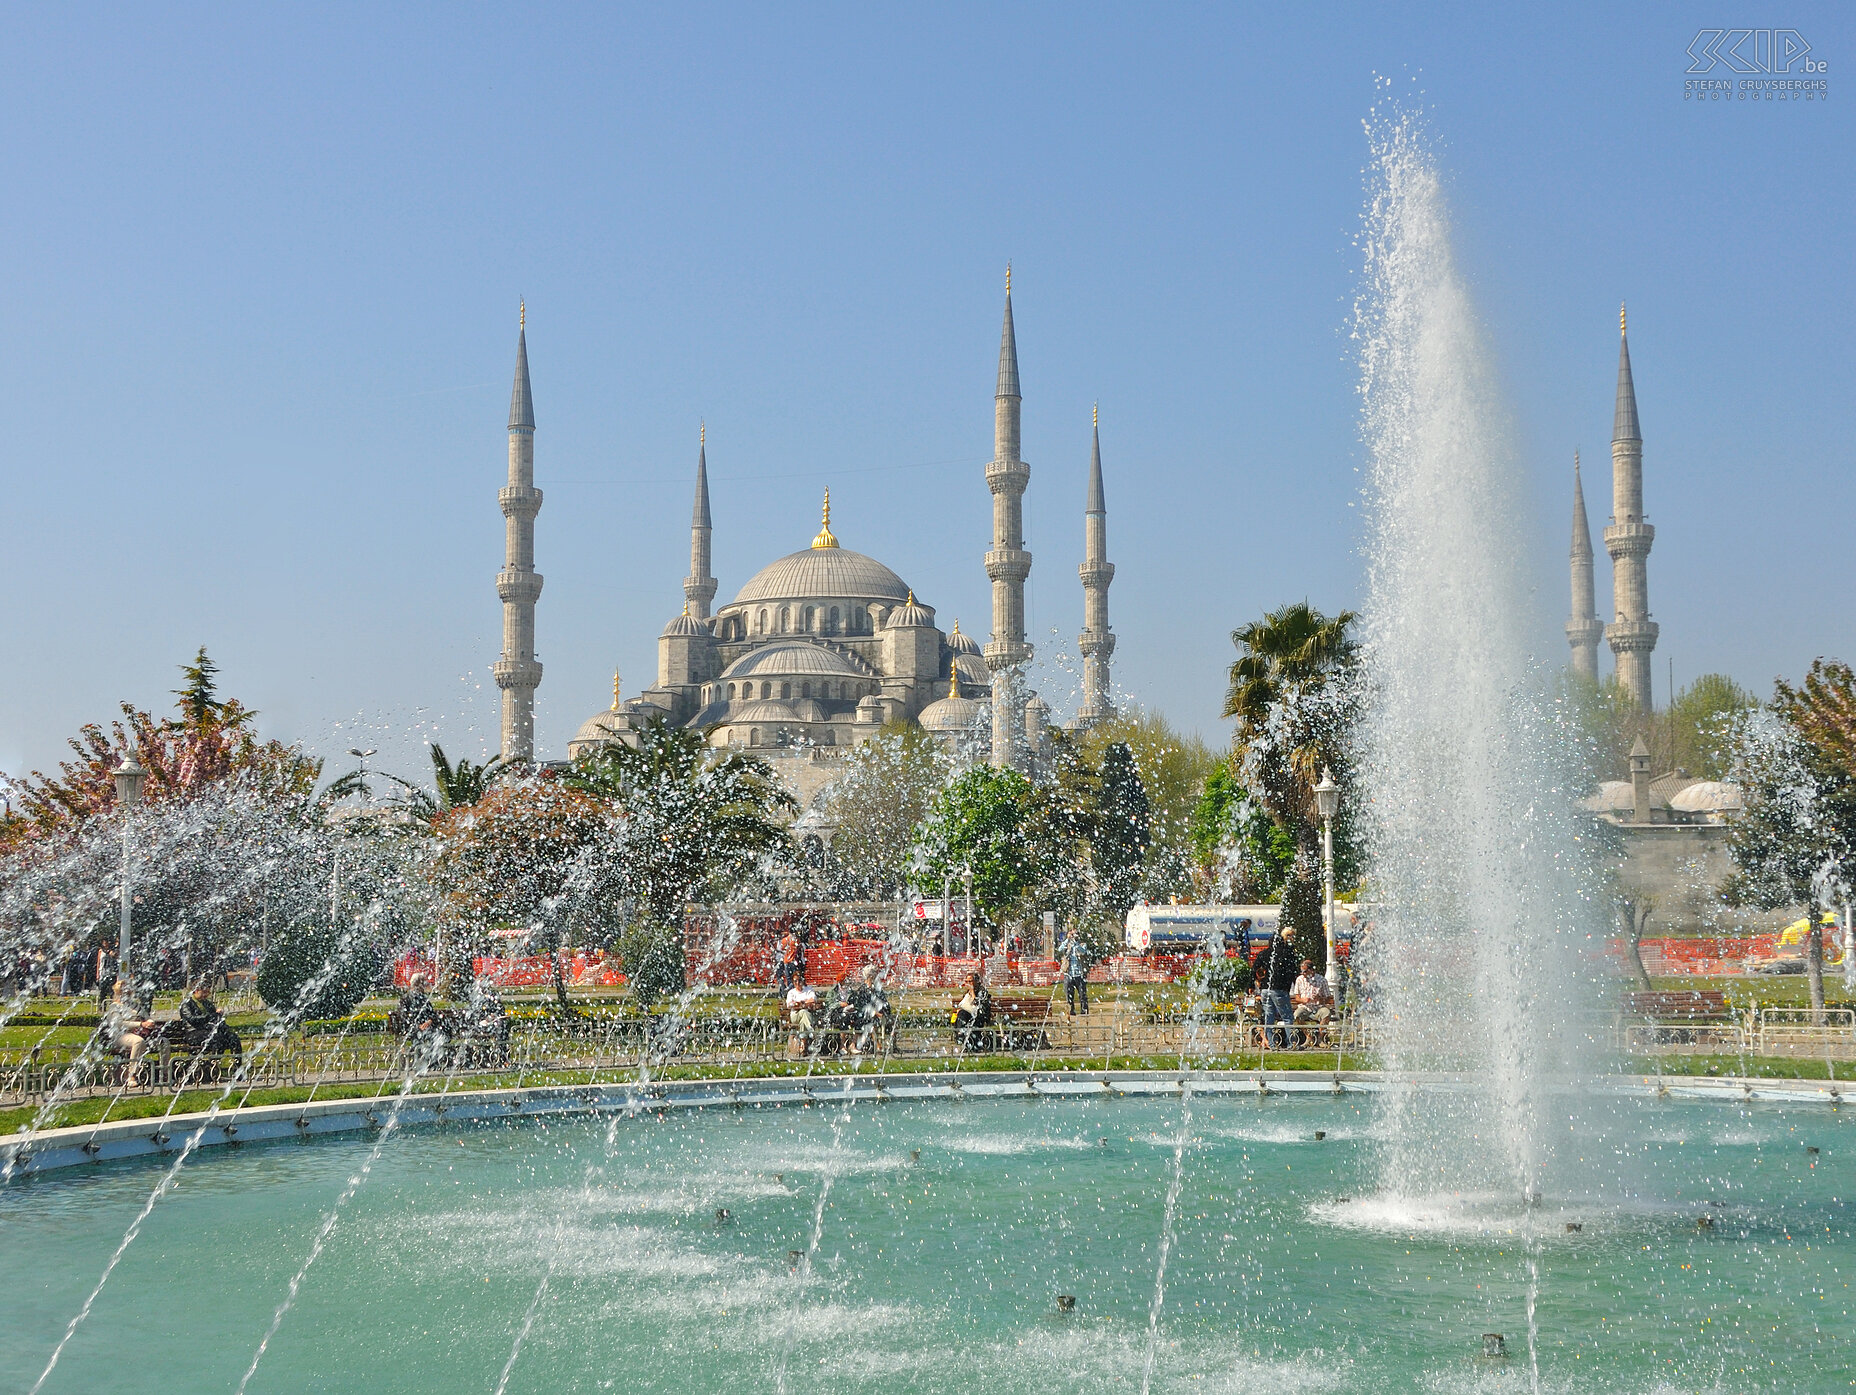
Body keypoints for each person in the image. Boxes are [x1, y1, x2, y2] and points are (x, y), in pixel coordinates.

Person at [104, 978, 157, 1086]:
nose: (127, 993)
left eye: (128, 991)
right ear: (119, 992)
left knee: (163, 1042)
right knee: (138, 1041)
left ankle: (165, 1074)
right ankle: (131, 1075)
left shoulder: (135, 1005)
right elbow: (118, 1023)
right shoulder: (114, 1006)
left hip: (139, 1033)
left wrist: (150, 1022)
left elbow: (147, 1017)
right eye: (124, 991)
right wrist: (140, 1024)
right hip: (121, 1036)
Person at [1257, 926, 1299, 1050]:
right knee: (1287, 1017)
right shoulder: (1287, 952)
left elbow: (1254, 969)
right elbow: (1291, 970)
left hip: (1265, 989)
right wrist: (1291, 983)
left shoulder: (1264, 954)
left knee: (1269, 1017)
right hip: (1279, 989)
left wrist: (1253, 984)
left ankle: (1272, 1043)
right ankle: (1292, 1043)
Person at [178, 980, 242, 1057]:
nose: (206, 995)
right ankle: (214, 1063)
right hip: (193, 1032)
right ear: (197, 990)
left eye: (208, 993)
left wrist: (219, 1017)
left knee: (233, 1037)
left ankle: (237, 1064)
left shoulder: (206, 1003)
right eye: (204, 992)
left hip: (208, 1030)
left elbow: (214, 1017)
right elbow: (192, 1019)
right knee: (216, 1038)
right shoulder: (187, 1003)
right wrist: (210, 1016)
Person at [844, 965, 892, 1055]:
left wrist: (883, 1011)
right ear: (870, 976)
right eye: (874, 974)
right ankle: (855, 1045)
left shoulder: (877, 989)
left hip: (874, 1015)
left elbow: (884, 1002)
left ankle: (881, 1045)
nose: (875, 976)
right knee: (867, 1020)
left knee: (873, 1021)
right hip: (863, 1015)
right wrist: (875, 1012)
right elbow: (860, 1005)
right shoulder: (862, 989)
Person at [1290, 959, 1334, 1048]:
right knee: (1297, 1015)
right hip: (1305, 1007)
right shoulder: (1299, 979)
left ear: (1311, 970)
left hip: (1318, 1007)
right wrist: (1303, 1000)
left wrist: (1320, 999)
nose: (1303, 973)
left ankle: (1320, 1039)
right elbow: (1297, 997)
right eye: (1301, 971)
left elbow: (1329, 998)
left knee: (1326, 1013)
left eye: (1305, 971)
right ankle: (1309, 1037)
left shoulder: (1321, 980)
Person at [954, 971, 992, 1053]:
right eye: (966, 981)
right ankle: (962, 1035)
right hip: (969, 1016)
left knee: (963, 1015)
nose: (968, 983)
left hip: (980, 1016)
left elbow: (979, 1005)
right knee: (961, 1013)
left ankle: (961, 1035)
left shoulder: (982, 991)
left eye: (970, 981)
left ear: (976, 981)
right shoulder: (966, 993)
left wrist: (972, 992)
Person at [1058, 928, 1090, 1016]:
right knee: (1069, 995)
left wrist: (1075, 944)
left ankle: (1084, 1011)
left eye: (1075, 934)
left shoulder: (1082, 944)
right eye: (1072, 934)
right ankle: (1071, 1011)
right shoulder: (1067, 943)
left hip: (1079, 973)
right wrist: (1068, 940)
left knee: (1082, 994)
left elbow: (1083, 952)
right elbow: (1060, 949)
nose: (1074, 936)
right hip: (1069, 973)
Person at [784, 977, 820, 1055]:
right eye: (795, 981)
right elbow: (789, 1005)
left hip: (807, 1016)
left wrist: (801, 1003)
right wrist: (805, 1004)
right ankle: (811, 1031)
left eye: (799, 980)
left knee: (803, 1021)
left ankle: (803, 1045)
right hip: (795, 1016)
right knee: (804, 1012)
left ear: (803, 981)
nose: (797, 982)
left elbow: (813, 999)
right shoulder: (791, 992)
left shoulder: (808, 989)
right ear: (793, 982)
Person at [775, 929, 801, 994]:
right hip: (793, 961)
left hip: (786, 961)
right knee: (795, 977)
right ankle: (790, 989)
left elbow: (782, 948)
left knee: (788, 978)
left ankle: (789, 991)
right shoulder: (795, 940)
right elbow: (798, 948)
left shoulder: (784, 940)